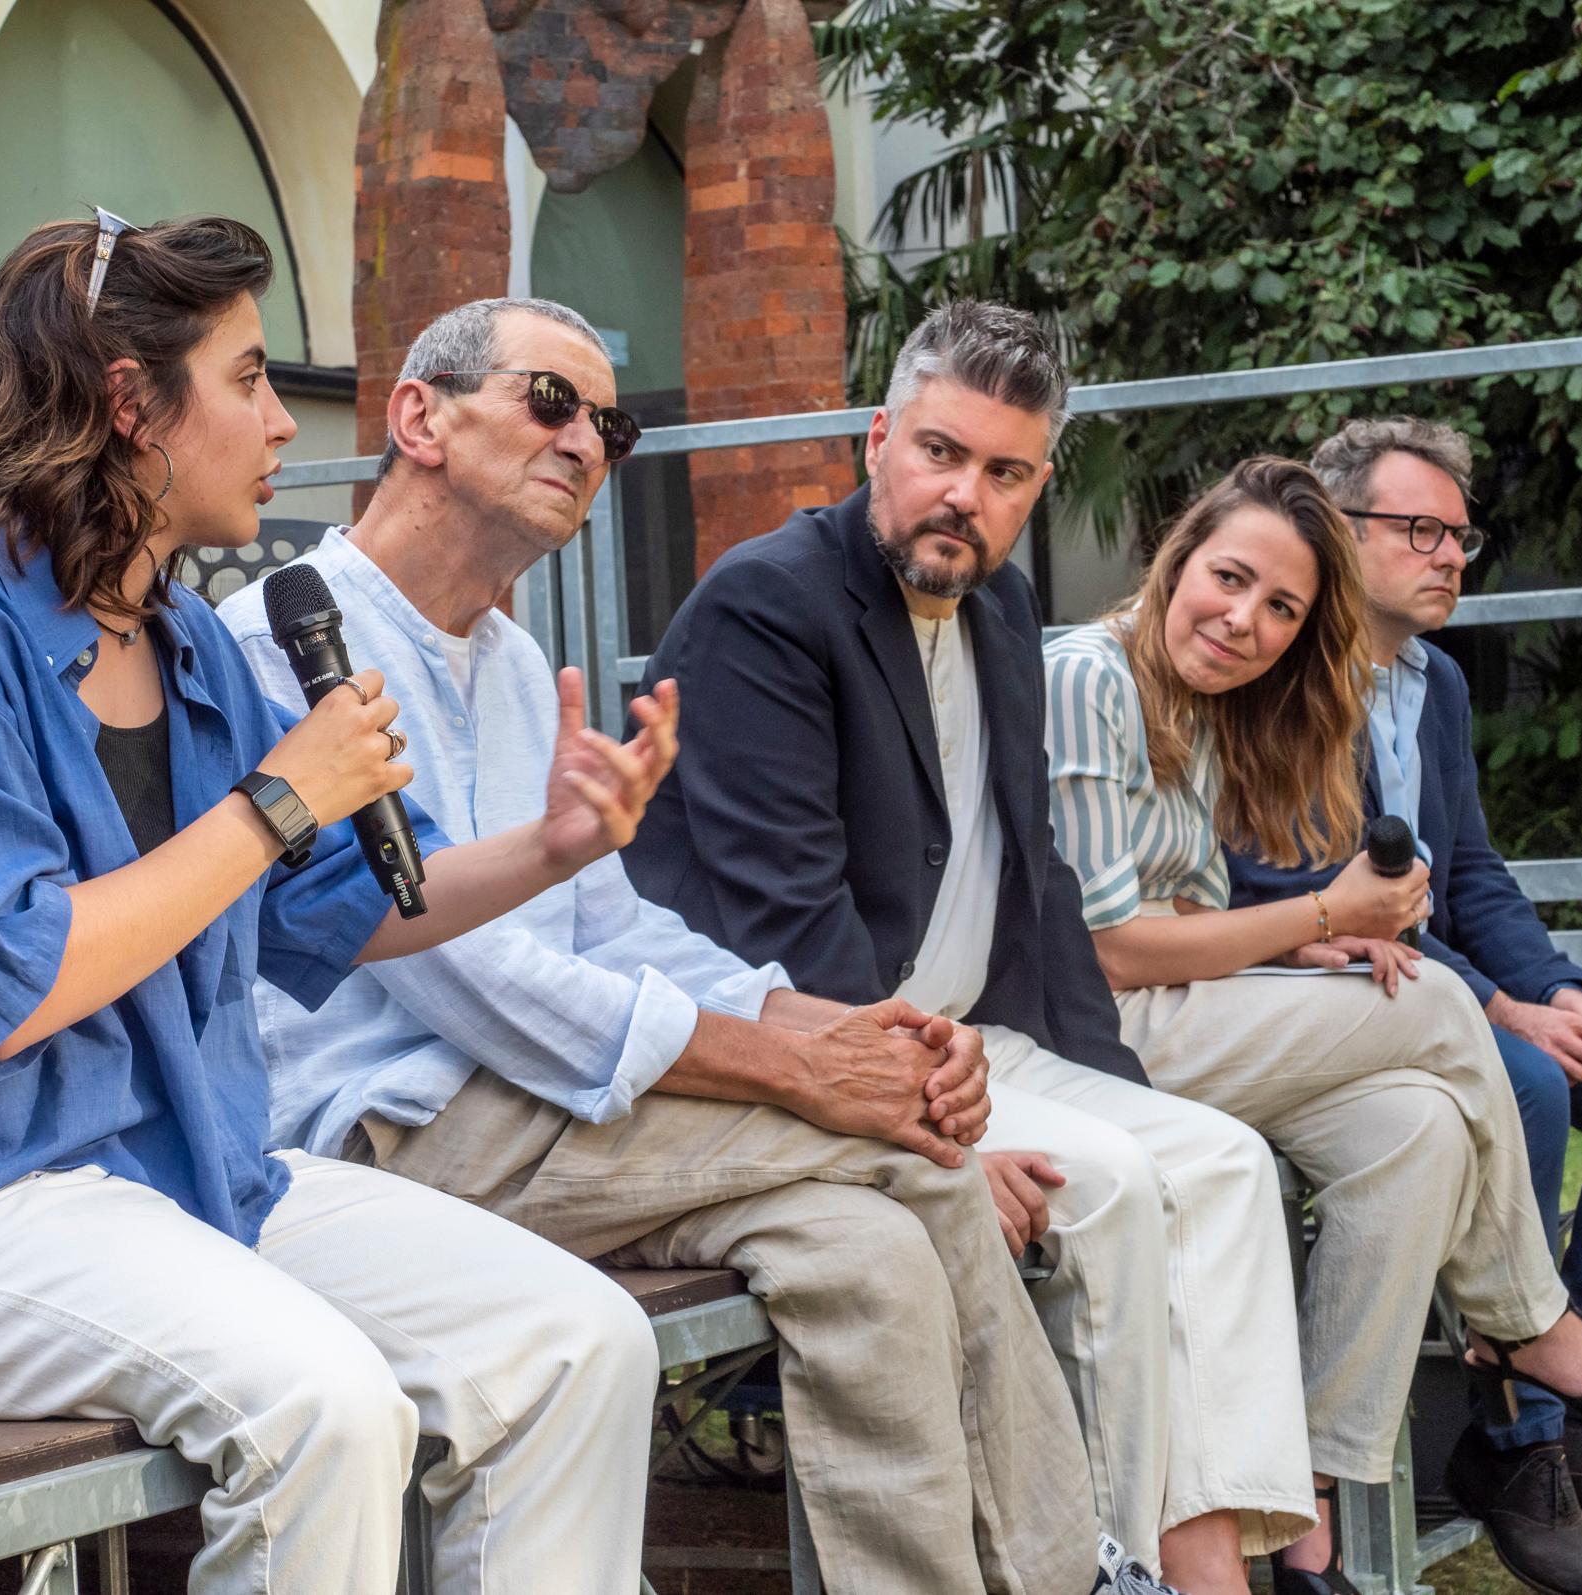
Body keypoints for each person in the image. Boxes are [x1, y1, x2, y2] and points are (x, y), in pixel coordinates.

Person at [0, 215, 677, 1595]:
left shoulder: (184, 641)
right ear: (130, 403)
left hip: (184, 1178)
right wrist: (278, 797)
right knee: (322, 1404)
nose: (282, 422)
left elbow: (346, 908)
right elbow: (18, 984)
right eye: (246, 378)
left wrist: (551, 843)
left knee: (579, 1337)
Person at [225, 295, 1146, 1595]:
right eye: (551, 400)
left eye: (613, 423)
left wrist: (834, 1027)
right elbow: (456, 969)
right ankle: (1068, 1574)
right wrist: (797, 1072)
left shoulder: (501, 651)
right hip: (387, 1125)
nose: (586, 441)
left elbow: (607, 920)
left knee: (867, 1253)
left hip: (537, 1110)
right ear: (417, 415)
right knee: (923, 1159)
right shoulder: (290, 634)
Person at [622, 300, 1314, 1595]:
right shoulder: (766, 608)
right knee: (1100, 1184)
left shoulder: (999, 608)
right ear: (878, 437)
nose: (964, 494)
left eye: (1002, 471)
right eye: (940, 451)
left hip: (967, 1034)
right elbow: (784, 924)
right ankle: (1095, 1564)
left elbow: (1039, 878)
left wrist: (1117, 1080)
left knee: (1216, 1159)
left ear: (1036, 481)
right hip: (802, 1046)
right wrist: (930, 1133)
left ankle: (1202, 1564)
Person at [1034, 452, 1582, 1595]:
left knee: (1419, 1125)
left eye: (1279, 607)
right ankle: (1528, 1321)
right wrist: (1326, 907)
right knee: (1430, 995)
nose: (1245, 621)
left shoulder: (1192, 695)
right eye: (1228, 579)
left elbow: (1187, 906)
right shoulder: (1087, 674)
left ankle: (1310, 1511)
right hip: (1085, 1035)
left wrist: (1295, 941)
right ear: (1176, 556)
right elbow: (1108, 946)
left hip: (1174, 1010)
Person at [1226, 416, 1582, 1593]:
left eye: (1459, 534)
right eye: (1418, 530)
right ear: (1336, 536)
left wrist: (1558, 989)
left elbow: (1472, 874)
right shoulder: (1280, 670)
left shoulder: (1433, 681)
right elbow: (1304, 892)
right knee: (1528, 1077)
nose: (1449, 555)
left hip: (1447, 982)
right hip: (1325, 988)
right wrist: (1504, 1011)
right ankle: (1516, 1442)